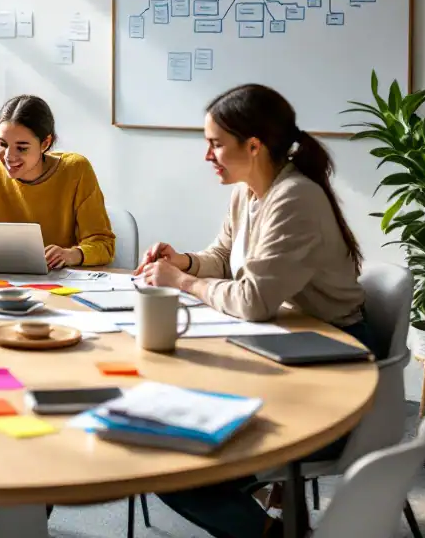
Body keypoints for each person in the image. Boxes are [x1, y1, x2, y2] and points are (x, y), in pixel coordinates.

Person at [136, 83, 369, 538]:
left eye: (215, 144)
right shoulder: (249, 191)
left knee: (174, 466)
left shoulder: (294, 198)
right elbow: (223, 258)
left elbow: (252, 301)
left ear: (255, 145)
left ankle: (275, 534)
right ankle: (275, 515)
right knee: (177, 443)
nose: (207, 155)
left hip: (334, 366)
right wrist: (181, 261)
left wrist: (182, 282)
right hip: (289, 346)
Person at [0, 95, 114, 271]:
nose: (9, 157)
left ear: (45, 143)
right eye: (2, 144)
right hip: (3, 285)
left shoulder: (76, 170)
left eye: (22, 148)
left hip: (63, 287)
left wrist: (72, 254)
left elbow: (104, 245)